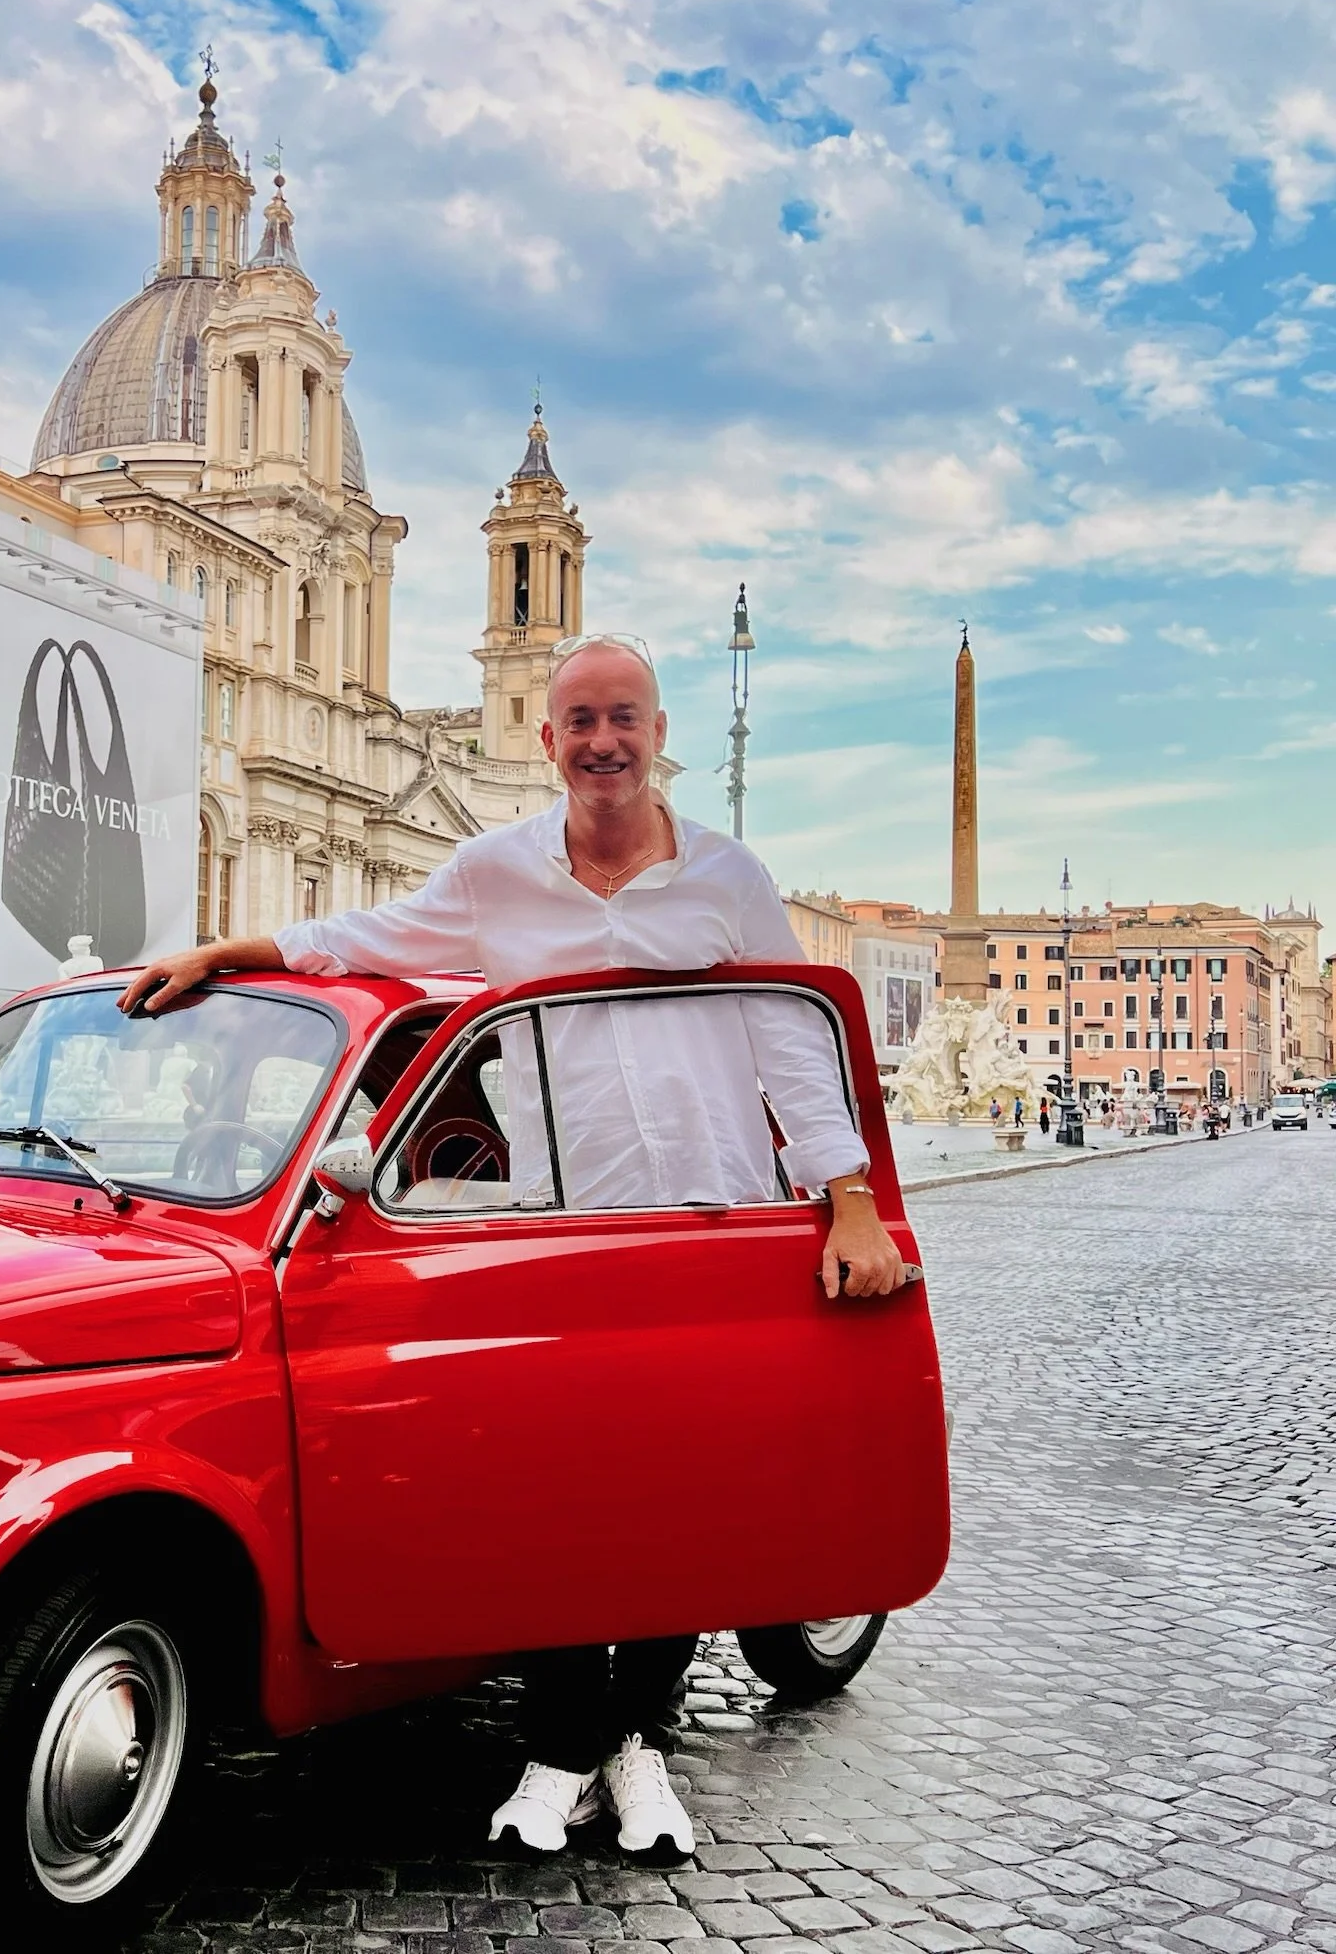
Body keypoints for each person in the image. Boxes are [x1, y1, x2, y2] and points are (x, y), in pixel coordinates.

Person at [119, 631, 901, 1860]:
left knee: (673, 1506)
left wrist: (844, 1194)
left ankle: (621, 1743)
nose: (601, 741)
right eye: (579, 720)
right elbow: (370, 935)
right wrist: (234, 951)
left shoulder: (729, 877)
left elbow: (791, 1042)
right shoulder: (492, 873)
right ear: (548, 741)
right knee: (560, 1495)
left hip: (707, 1220)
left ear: (656, 735)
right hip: (564, 1230)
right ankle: (566, 1745)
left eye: (623, 718)